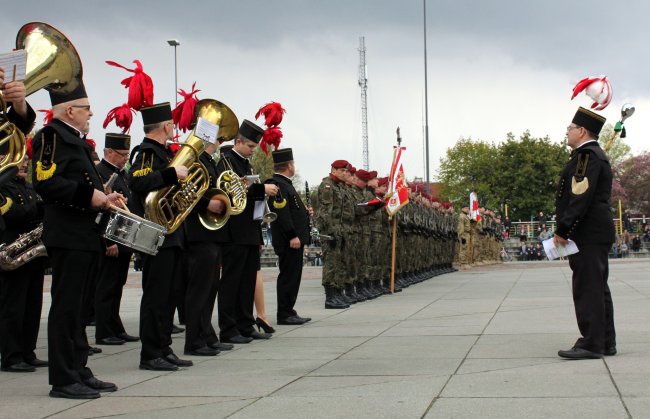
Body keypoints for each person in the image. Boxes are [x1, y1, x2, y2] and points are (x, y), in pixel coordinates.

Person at [32, 82, 121, 398]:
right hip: (68, 236)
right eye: (86, 109)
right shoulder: (51, 137)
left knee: (80, 309)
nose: (91, 114)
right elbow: (45, 181)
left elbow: (81, 184)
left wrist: (105, 197)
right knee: (66, 309)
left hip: (85, 235)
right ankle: (63, 378)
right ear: (69, 111)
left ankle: (79, 369)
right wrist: (90, 196)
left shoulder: (75, 140)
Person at [129, 102, 193, 371]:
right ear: (165, 126)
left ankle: (163, 347)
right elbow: (138, 181)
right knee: (156, 295)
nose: (174, 128)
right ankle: (150, 352)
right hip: (156, 233)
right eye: (171, 124)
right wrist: (170, 174)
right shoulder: (146, 152)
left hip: (171, 232)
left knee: (170, 294)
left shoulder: (163, 152)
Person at [555, 107, 616, 360]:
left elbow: (580, 195)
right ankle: (605, 342)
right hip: (596, 230)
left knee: (588, 287)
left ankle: (591, 343)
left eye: (569, 128)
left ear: (582, 131)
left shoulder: (585, 156)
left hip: (587, 231)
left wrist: (563, 229)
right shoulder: (592, 155)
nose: (566, 133)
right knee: (598, 287)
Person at [215, 120, 278, 343]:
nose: (253, 151)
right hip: (233, 231)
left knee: (247, 280)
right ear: (238, 141)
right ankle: (228, 328)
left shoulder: (247, 164)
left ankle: (245, 323)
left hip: (249, 230)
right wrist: (262, 189)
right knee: (232, 281)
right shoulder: (226, 162)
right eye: (250, 146)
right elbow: (232, 189)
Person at [0, 155, 47, 373]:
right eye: (20, 161)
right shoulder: (2, 186)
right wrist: (40, 207)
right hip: (12, 253)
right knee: (13, 308)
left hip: (32, 255)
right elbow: (12, 214)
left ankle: (28, 352)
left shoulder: (28, 186)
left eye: (27, 160)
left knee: (32, 306)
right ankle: (11, 356)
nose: (25, 164)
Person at [94, 133, 139, 346]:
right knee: (106, 286)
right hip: (109, 238)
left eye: (127, 155)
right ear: (109, 152)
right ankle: (104, 331)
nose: (125, 159)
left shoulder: (122, 175)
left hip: (123, 236)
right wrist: (107, 241)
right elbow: (100, 212)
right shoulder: (101, 173)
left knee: (118, 284)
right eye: (122, 154)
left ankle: (115, 326)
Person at [265, 148, 312, 325]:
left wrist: (304, 212)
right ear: (289, 166)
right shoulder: (279, 185)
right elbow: (282, 213)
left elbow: (290, 210)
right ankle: (284, 313)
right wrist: (293, 235)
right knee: (289, 276)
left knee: (293, 276)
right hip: (289, 240)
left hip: (293, 240)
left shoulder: (285, 184)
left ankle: (288, 310)